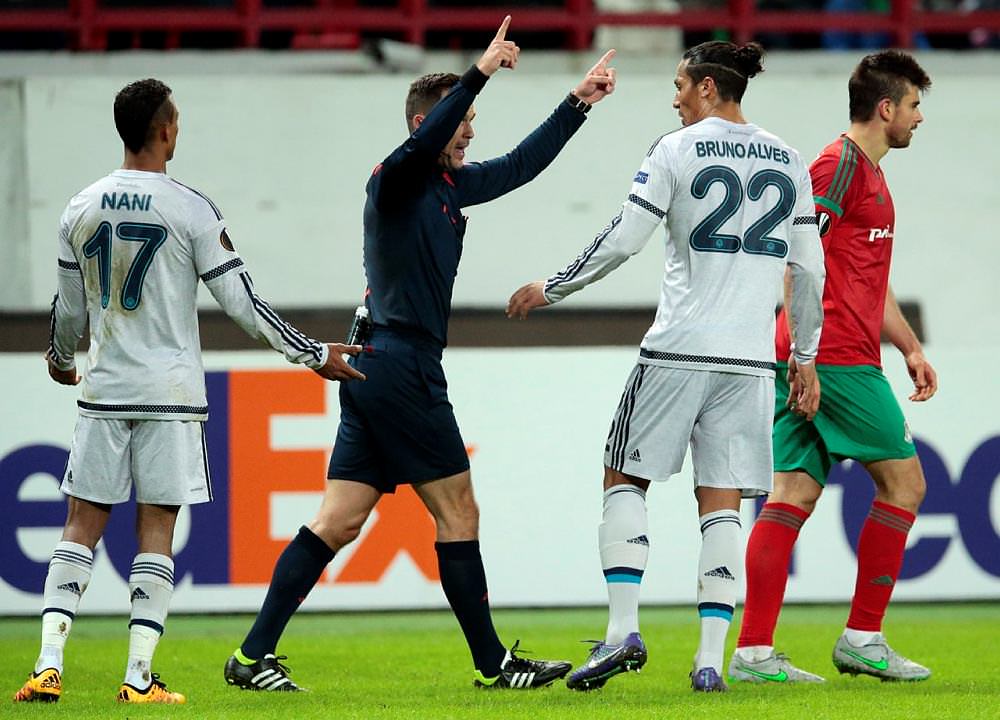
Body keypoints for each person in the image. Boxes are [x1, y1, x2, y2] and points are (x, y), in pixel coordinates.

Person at [222, 16, 617, 692]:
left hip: (376, 364)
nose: (470, 134)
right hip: (400, 365)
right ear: (424, 125)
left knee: (339, 520)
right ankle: (495, 665)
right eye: (461, 124)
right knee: (459, 511)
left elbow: (520, 166)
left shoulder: (448, 186)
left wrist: (577, 103)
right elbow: (434, 137)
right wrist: (480, 73)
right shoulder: (396, 178)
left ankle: (251, 656)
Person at [13, 78, 363, 705]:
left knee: (80, 524)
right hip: (169, 394)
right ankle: (137, 678)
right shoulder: (190, 209)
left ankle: (47, 665)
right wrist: (312, 354)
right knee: (156, 526)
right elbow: (243, 303)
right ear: (164, 130)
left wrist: (62, 358)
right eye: (176, 120)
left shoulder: (79, 207)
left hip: (105, 389)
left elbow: (69, 308)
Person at [506, 41, 826, 693]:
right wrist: (804, 356)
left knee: (623, 475)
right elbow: (809, 269)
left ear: (707, 86)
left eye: (680, 85)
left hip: (679, 347)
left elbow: (627, 237)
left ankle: (623, 631)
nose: (674, 98)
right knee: (723, 503)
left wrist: (553, 286)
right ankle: (709, 661)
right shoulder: (790, 158)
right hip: (748, 361)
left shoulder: (676, 149)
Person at [729, 50, 935, 684]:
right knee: (905, 486)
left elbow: (867, 276)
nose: (919, 118)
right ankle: (863, 638)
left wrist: (909, 346)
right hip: (834, 357)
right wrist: (806, 356)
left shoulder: (869, 172)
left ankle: (754, 653)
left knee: (791, 494)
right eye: (914, 105)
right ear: (886, 107)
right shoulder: (836, 165)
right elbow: (797, 260)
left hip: (822, 353)